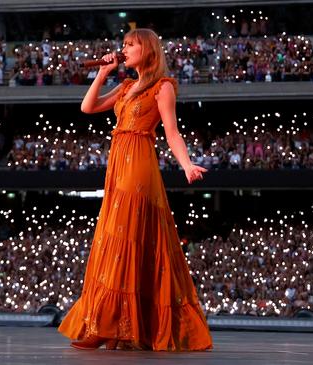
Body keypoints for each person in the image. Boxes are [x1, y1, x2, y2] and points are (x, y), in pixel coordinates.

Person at [57, 28, 213, 351]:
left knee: (122, 238)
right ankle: (115, 325)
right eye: (123, 45)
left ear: (150, 50)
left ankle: (111, 325)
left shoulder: (163, 87)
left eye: (131, 45)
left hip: (140, 162)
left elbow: (172, 132)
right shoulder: (126, 86)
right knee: (119, 239)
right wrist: (102, 73)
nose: (124, 49)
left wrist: (186, 164)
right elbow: (88, 107)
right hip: (118, 163)